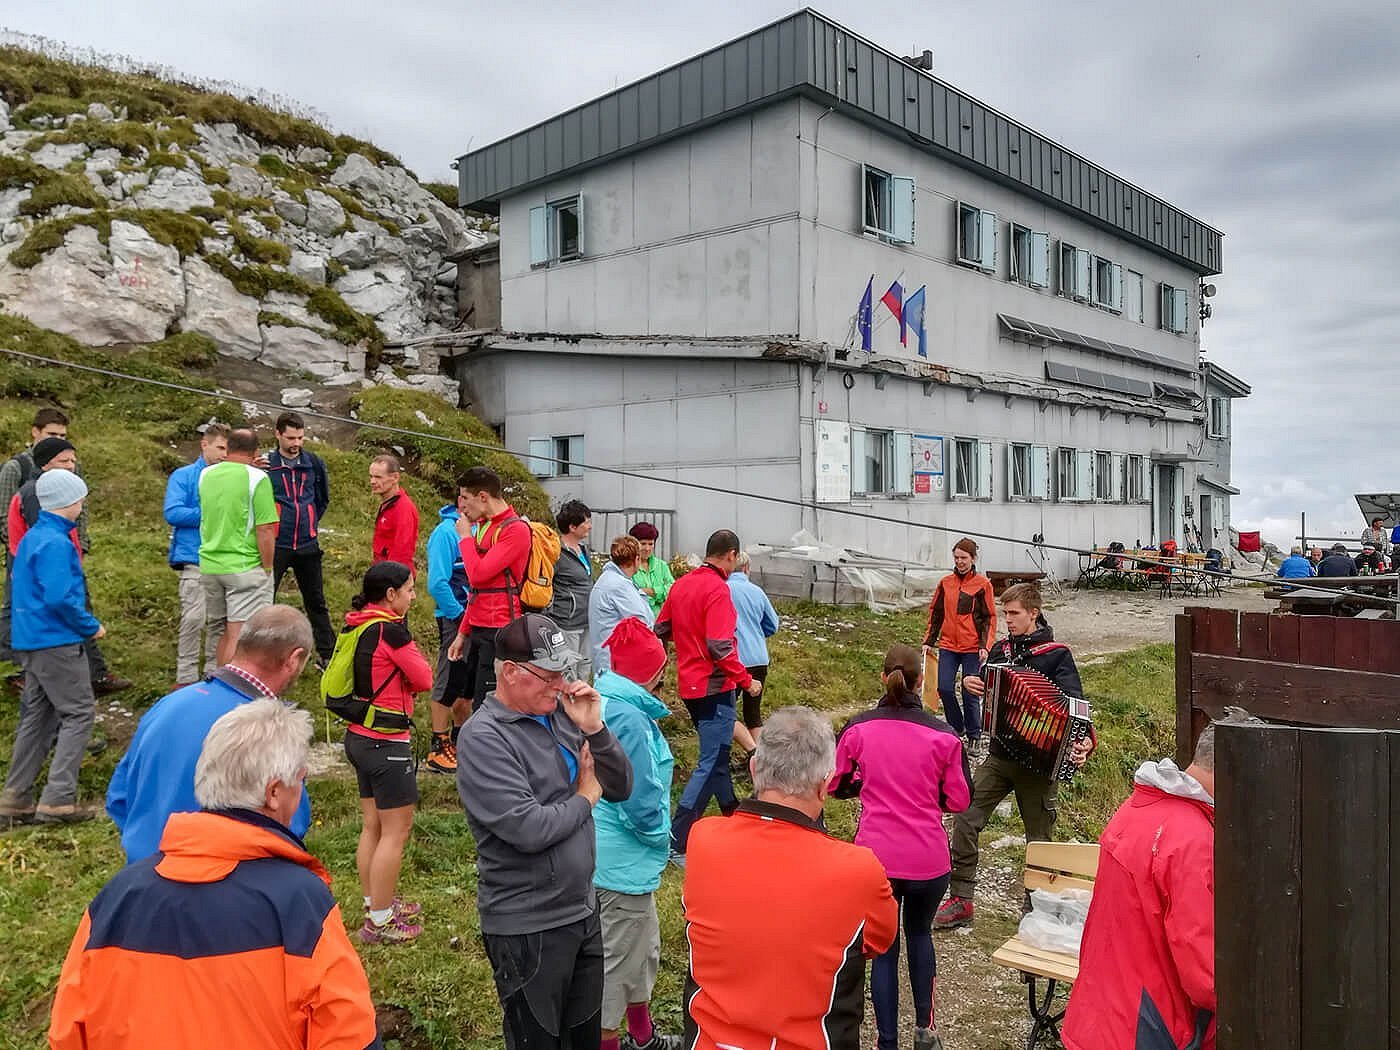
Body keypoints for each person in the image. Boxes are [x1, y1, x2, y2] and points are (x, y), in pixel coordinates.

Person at [50, 699, 383, 1050]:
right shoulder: (299, 903)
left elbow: (67, 1033)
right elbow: (349, 1037)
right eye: (300, 781)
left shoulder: (114, 899)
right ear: (274, 793)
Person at [457, 612, 633, 1050]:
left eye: (564, 671)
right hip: (528, 924)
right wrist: (585, 796)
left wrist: (596, 728)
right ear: (511, 672)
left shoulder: (561, 716)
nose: (560, 684)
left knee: (584, 1038)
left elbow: (621, 786)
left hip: (581, 908)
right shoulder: (484, 738)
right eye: (549, 674)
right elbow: (528, 828)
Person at [682, 706, 898, 1050]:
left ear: (755, 770)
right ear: (825, 785)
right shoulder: (858, 869)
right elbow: (878, 940)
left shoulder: (703, 838)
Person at [830, 645, 972, 1050]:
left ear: (883, 677)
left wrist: (867, 785)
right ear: (919, 682)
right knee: (921, 934)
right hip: (928, 858)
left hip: (876, 860)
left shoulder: (858, 728)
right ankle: (925, 1031)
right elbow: (959, 800)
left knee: (885, 950)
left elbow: (837, 784)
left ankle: (885, 1042)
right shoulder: (944, 735)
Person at [1062, 721, 1228, 1050]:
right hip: (1146, 1030)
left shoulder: (1137, 808)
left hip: (1097, 1016)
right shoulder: (1192, 841)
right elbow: (1205, 978)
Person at [935, 583, 1091, 930]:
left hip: (1040, 764)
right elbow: (991, 691)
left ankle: (1036, 908)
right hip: (1000, 755)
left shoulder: (1056, 655)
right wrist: (973, 686)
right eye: (1005, 614)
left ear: (1033, 613)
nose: (1008, 621)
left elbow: (1077, 708)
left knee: (1039, 841)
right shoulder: (1000, 649)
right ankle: (962, 899)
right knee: (965, 817)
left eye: (1014, 614)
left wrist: (1085, 743)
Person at [106, 605, 315, 862]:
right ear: (294, 659)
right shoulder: (271, 729)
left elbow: (119, 797)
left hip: (146, 877)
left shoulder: (168, 705)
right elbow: (290, 822)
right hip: (224, 882)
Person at [593, 617, 680, 1050]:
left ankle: (642, 1036)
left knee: (641, 950)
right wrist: (662, 839)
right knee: (615, 965)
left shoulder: (605, 701)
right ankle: (612, 1040)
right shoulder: (629, 718)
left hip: (611, 860)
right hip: (620, 863)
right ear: (651, 673)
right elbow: (640, 800)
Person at [0, 470, 104, 825]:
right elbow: (60, 596)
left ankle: (15, 798)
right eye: (80, 499)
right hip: (56, 640)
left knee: (38, 717)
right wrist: (91, 626)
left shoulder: (32, 537)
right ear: (67, 502)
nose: (82, 505)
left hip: (30, 638)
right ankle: (58, 800)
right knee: (78, 713)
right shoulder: (58, 543)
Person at [339, 561, 434, 945]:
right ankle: (381, 922)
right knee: (397, 831)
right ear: (391, 594)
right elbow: (425, 679)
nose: (413, 597)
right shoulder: (391, 633)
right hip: (386, 742)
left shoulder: (356, 622)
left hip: (358, 736)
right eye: (410, 590)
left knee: (373, 826)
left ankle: (374, 902)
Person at [655, 529, 762, 860]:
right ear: (731, 555)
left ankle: (733, 815)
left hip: (689, 685)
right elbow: (720, 646)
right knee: (710, 761)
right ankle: (677, 839)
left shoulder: (682, 584)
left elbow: (661, 629)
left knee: (717, 757)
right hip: (716, 687)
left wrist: (686, 647)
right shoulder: (718, 590)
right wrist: (746, 682)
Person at [7, 435, 128, 697]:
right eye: (64, 460)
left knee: (79, 611)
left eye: (73, 459)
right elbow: (45, 547)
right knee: (74, 708)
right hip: (50, 587)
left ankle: (95, 674)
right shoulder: (38, 494)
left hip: (60, 569)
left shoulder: (51, 492)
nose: (71, 465)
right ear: (46, 464)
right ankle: (87, 679)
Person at [445, 466, 532, 710]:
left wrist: (464, 538)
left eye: (466, 498)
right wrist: (463, 633)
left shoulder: (515, 530)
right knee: (465, 697)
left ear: (483, 496)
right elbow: (478, 593)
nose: (462, 507)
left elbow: (478, 576)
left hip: (500, 630)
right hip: (478, 627)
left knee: (489, 705)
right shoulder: (485, 524)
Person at [0, 407, 76, 666]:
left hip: (62, 550)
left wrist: (81, 546)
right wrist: (23, 554)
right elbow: (4, 515)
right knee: (15, 606)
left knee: (67, 601)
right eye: (50, 433)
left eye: (62, 434)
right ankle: (14, 665)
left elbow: (78, 509)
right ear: (35, 432)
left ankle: (87, 667)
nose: (55, 438)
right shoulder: (16, 467)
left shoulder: (69, 465)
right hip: (21, 552)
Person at [199, 427, 277, 667]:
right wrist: (267, 566)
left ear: (228, 448)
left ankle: (214, 682)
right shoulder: (257, 478)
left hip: (210, 563)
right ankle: (233, 690)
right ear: (255, 452)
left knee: (221, 629)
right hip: (244, 565)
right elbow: (265, 529)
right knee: (238, 632)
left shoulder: (206, 475)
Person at [267, 411, 336, 667]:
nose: (296, 443)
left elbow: (322, 499)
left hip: (307, 543)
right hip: (276, 543)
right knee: (265, 599)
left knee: (316, 600)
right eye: (290, 438)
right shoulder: (267, 465)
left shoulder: (314, 463)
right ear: (278, 435)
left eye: (300, 437)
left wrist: (310, 522)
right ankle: (264, 652)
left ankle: (327, 655)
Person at [164, 423, 229, 686]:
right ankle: (185, 676)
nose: (225, 454)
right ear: (205, 445)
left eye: (228, 448)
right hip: (193, 557)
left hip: (224, 557)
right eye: (220, 447)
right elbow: (173, 512)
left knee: (218, 620)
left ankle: (212, 674)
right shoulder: (184, 476)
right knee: (194, 617)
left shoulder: (231, 477)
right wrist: (210, 513)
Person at [922, 538, 997, 756]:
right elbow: (936, 613)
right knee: (944, 687)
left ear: (973, 559)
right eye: (956, 557)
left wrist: (985, 645)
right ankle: (957, 727)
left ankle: (974, 736)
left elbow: (989, 618)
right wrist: (928, 641)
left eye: (964, 558)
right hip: (948, 645)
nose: (960, 561)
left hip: (972, 647)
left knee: (969, 692)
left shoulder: (983, 585)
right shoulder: (946, 583)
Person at [425, 488, 473, 773]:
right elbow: (437, 583)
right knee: (447, 680)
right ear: (461, 501)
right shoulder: (444, 534)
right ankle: (437, 745)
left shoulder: (477, 530)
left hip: (473, 617)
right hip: (454, 617)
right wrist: (459, 616)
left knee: (465, 686)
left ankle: (458, 739)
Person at [727, 549, 780, 753]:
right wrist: (757, 634)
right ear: (747, 568)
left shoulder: (721, 589)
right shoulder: (757, 591)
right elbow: (773, 624)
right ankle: (763, 758)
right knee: (753, 713)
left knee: (726, 713)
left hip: (733, 659)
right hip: (758, 658)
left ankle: (752, 754)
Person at [590, 535, 654, 676]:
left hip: (607, 659)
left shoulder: (609, 579)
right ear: (636, 559)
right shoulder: (619, 586)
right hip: (616, 664)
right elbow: (642, 624)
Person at [547, 499, 595, 681]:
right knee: (568, 669)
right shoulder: (556, 552)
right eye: (586, 522)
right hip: (567, 620)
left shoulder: (583, 549)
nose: (590, 526)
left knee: (585, 665)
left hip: (587, 618)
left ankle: (582, 705)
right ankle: (566, 707)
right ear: (573, 527)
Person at [370, 454, 419, 571]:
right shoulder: (389, 504)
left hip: (394, 578)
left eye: (378, 477)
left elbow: (402, 551)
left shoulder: (403, 508)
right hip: (382, 572)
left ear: (395, 478)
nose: (372, 481)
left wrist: (389, 579)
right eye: (371, 476)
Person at [629, 522, 673, 617]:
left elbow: (672, 590)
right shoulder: (628, 566)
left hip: (660, 623)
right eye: (643, 544)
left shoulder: (662, 565)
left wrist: (651, 592)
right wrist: (661, 594)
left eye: (651, 544)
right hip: (639, 621)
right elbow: (631, 595)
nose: (647, 548)